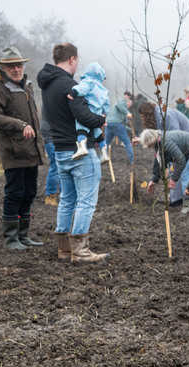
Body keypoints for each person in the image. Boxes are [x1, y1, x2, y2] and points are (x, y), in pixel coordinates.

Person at [38, 43, 108, 263]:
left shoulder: (47, 85)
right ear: (72, 59)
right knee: (86, 201)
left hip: (59, 150)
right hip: (80, 151)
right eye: (77, 61)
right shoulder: (70, 85)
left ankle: (64, 249)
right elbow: (83, 115)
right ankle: (80, 251)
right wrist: (101, 120)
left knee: (67, 199)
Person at [0, 45, 45, 250]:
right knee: (15, 193)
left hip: (31, 150)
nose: (16, 69)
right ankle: (11, 238)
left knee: (29, 192)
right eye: (11, 66)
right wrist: (20, 125)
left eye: (19, 65)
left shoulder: (26, 86)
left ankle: (23, 235)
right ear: (3, 68)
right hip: (13, 151)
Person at [140, 128, 189, 213]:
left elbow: (181, 160)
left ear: (153, 141)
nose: (150, 148)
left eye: (150, 146)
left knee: (186, 176)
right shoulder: (158, 140)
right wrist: (154, 180)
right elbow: (160, 160)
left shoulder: (166, 142)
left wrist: (173, 180)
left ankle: (188, 205)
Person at [70, 62, 110, 163]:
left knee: (81, 126)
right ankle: (104, 153)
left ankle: (82, 147)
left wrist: (74, 92)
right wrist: (104, 114)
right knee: (98, 132)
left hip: (89, 110)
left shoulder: (89, 81)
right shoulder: (104, 90)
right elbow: (106, 104)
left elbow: (82, 89)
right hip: (98, 113)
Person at [105, 91, 134, 164]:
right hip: (116, 124)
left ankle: (104, 156)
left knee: (106, 143)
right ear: (128, 102)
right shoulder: (122, 102)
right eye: (130, 104)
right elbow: (120, 105)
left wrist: (130, 130)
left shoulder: (121, 109)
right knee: (127, 142)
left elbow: (124, 124)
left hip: (109, 124)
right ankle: (131, 161)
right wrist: (128, 113)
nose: (130, 106)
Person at [40, 117, 60, 205]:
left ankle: (63, 194)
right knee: (55, 166)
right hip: (52, 137)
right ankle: (50, 196)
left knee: (59, 166)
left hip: (55, 136)